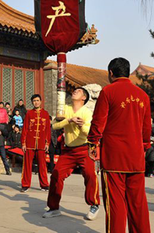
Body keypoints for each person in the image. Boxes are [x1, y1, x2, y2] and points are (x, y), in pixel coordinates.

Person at [87, 57, 152, 233]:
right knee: (138, 203)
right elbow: (147, 130)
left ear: (110, 73)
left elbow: (98, 121)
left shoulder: (108, 92)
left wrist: (92, 142)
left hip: (114, 156)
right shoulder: (143, 96)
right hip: (136, 157)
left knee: (115, 203)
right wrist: (144, 147)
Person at [44, 86, 100, 221]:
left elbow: (90, 132)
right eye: (75, 90)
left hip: (85, 148)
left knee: (90, 175)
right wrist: (68, 120)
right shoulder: (65, 108)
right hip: (68, 150)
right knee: (56, 175)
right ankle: (54, 207)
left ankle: (94, 204)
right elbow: (54, 125)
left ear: (84, 98)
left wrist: (81, 125)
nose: (75, 91)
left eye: (79, 91)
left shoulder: (87, 112)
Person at [21, 94, 50, 191]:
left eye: (37, 100)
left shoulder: (45, 114)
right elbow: (25, 128)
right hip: (29, 143)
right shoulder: (29, 113)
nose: (36, 102)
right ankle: (25, 185)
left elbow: (47, 130)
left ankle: (44, 184)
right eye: (34, 101)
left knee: (42, 165)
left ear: (41, 101)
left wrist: (47, 143)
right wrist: (23, 143)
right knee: (27, 165)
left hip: (41, 143)